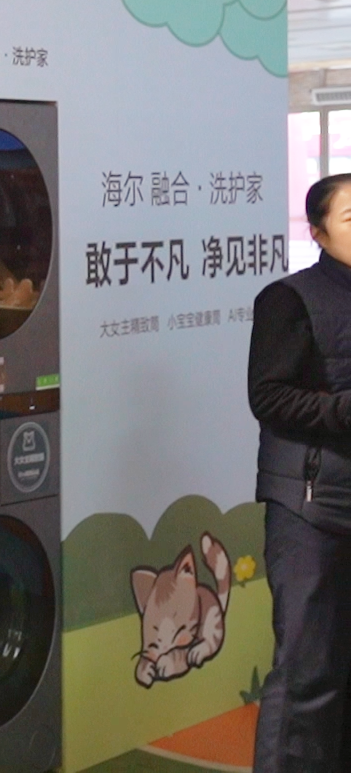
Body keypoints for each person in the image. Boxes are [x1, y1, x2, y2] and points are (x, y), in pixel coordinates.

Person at [252, 173, 351, 771]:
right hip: (309, 508)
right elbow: (268, 397)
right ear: (317, 232)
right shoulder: (289, 299)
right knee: (307, 673)